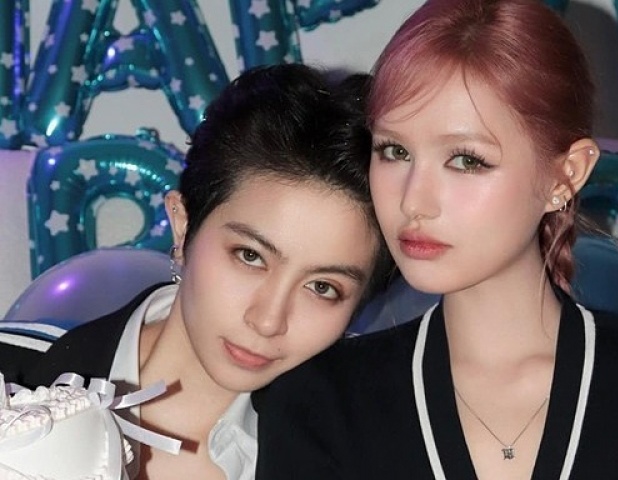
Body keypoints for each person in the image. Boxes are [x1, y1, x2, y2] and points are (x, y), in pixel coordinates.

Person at [255, 1, 618, 479]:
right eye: (394, 151)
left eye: (466, 160)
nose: (414, 200)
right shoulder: (321, 403)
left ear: (566, 174)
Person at [0, 63, 392, 479]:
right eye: (250, 256)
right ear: (183, 226)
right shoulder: (13, 376)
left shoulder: (369, 455)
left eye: (322, 287)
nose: (268, 320)